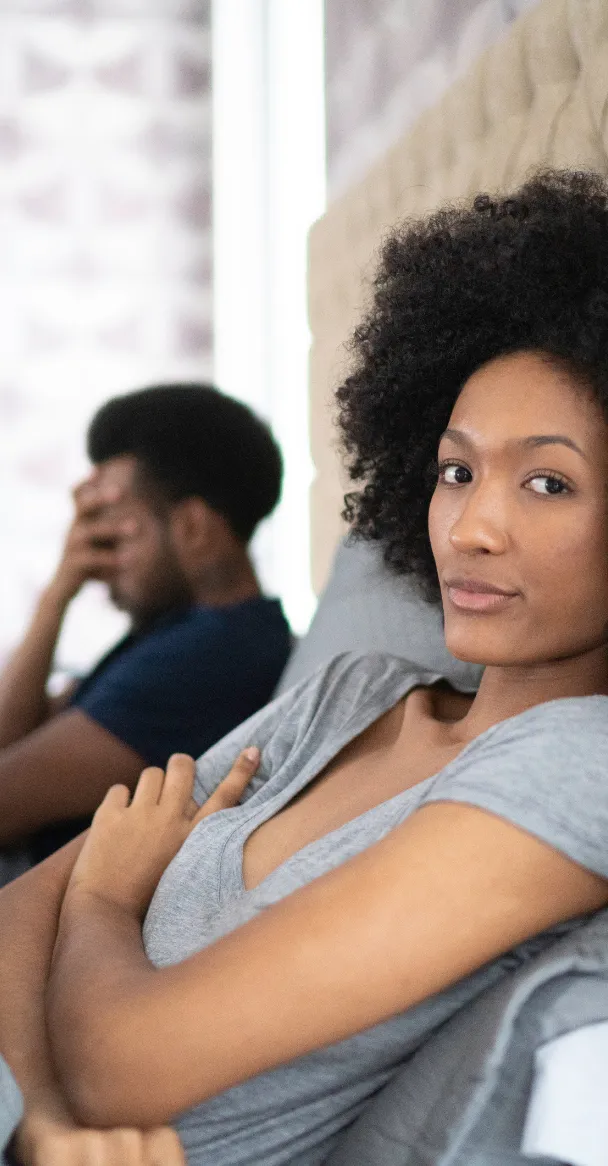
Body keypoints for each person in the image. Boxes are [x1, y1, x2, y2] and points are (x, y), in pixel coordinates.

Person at [3, 169, 608, 1166]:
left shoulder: (576, 766)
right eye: (455, 469)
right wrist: (47, 1128)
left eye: (547, 481)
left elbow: (131, 1065)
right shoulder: (353, 688)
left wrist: (107, 903)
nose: (472, 526)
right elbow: (19, 911)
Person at [0, 383, 291, 869]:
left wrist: (56, 597)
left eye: (114, 531)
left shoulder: (211, 652)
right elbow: (12, 736)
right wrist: (57, 595)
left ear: (192, 528)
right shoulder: (178, 632)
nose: (95, 557)